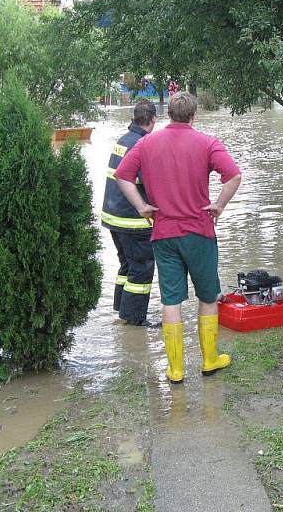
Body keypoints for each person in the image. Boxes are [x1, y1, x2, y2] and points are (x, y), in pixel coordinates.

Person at [115, 92, 242, 383]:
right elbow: (233, 176)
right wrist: (219, 205)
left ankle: (175, 369)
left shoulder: (146, 143)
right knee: (208, 296)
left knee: (171, 300)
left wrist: (141, 206)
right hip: (199, 231)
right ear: (194, 116)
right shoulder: (207, 142)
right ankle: (209, 360)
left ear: (168, 115)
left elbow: (122, 175)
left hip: (163, 233)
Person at [101, 99, 157, 326]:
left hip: (112, 217)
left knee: (126, 265)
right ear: (153, 121)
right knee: (141, 269)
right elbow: (151, 184)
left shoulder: (122, 141)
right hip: (132, 221)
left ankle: (122, 310)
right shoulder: (143, 146)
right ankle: (134, 320)